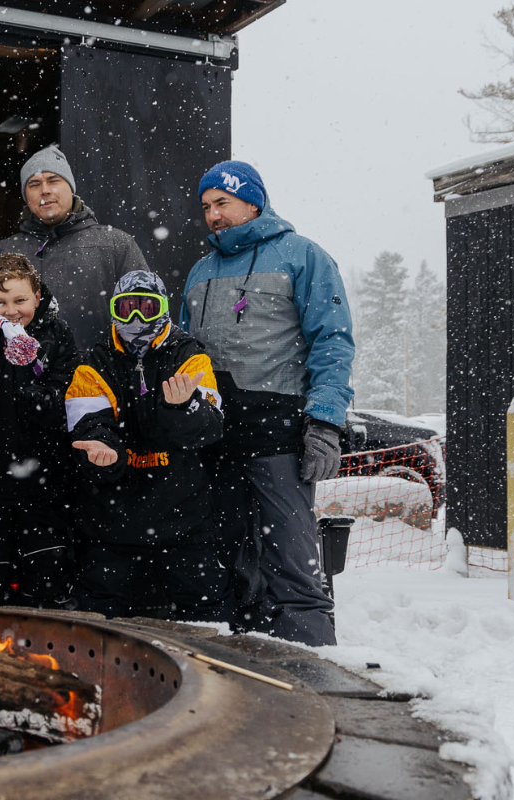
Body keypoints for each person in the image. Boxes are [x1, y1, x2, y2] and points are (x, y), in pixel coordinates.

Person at [180, 160, 354, 647]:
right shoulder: (200, 272)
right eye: (207, 207)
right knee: (227, 562)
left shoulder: (303, 256)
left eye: (223, 203)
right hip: (215, 438)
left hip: (278, 434)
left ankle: (311, 670)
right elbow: (182, 355)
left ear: (253, 202)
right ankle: (239, 673)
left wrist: (325, 422)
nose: (213, 215)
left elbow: (333, 342)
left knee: (292, 564)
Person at [63, 270, 230, 622]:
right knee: (96, 617)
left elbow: (210, 428)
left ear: (163, 309)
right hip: (112, 516)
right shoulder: (94, 361)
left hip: (182, 511)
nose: (136, 318)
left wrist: (184, 408)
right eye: (126, 308)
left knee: (206, 616)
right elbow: (91, 421)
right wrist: (103, 452)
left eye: (146, 308)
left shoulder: (189, 356)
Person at [0, 254, 79, 606]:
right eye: (0, 302)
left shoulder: (57, 335)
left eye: (20, 300)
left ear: (37, 296)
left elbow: (61, 405)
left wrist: (27, 375)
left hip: (45, 485)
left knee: (47, 585)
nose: (11, 311)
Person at [0, 145, 150, 346]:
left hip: (96, 373)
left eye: (53, 180)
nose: (45, 190)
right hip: (18, 374)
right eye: (34, 184)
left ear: (71, 187)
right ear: (25, 196)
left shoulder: (117, 245)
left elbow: (147, 317)